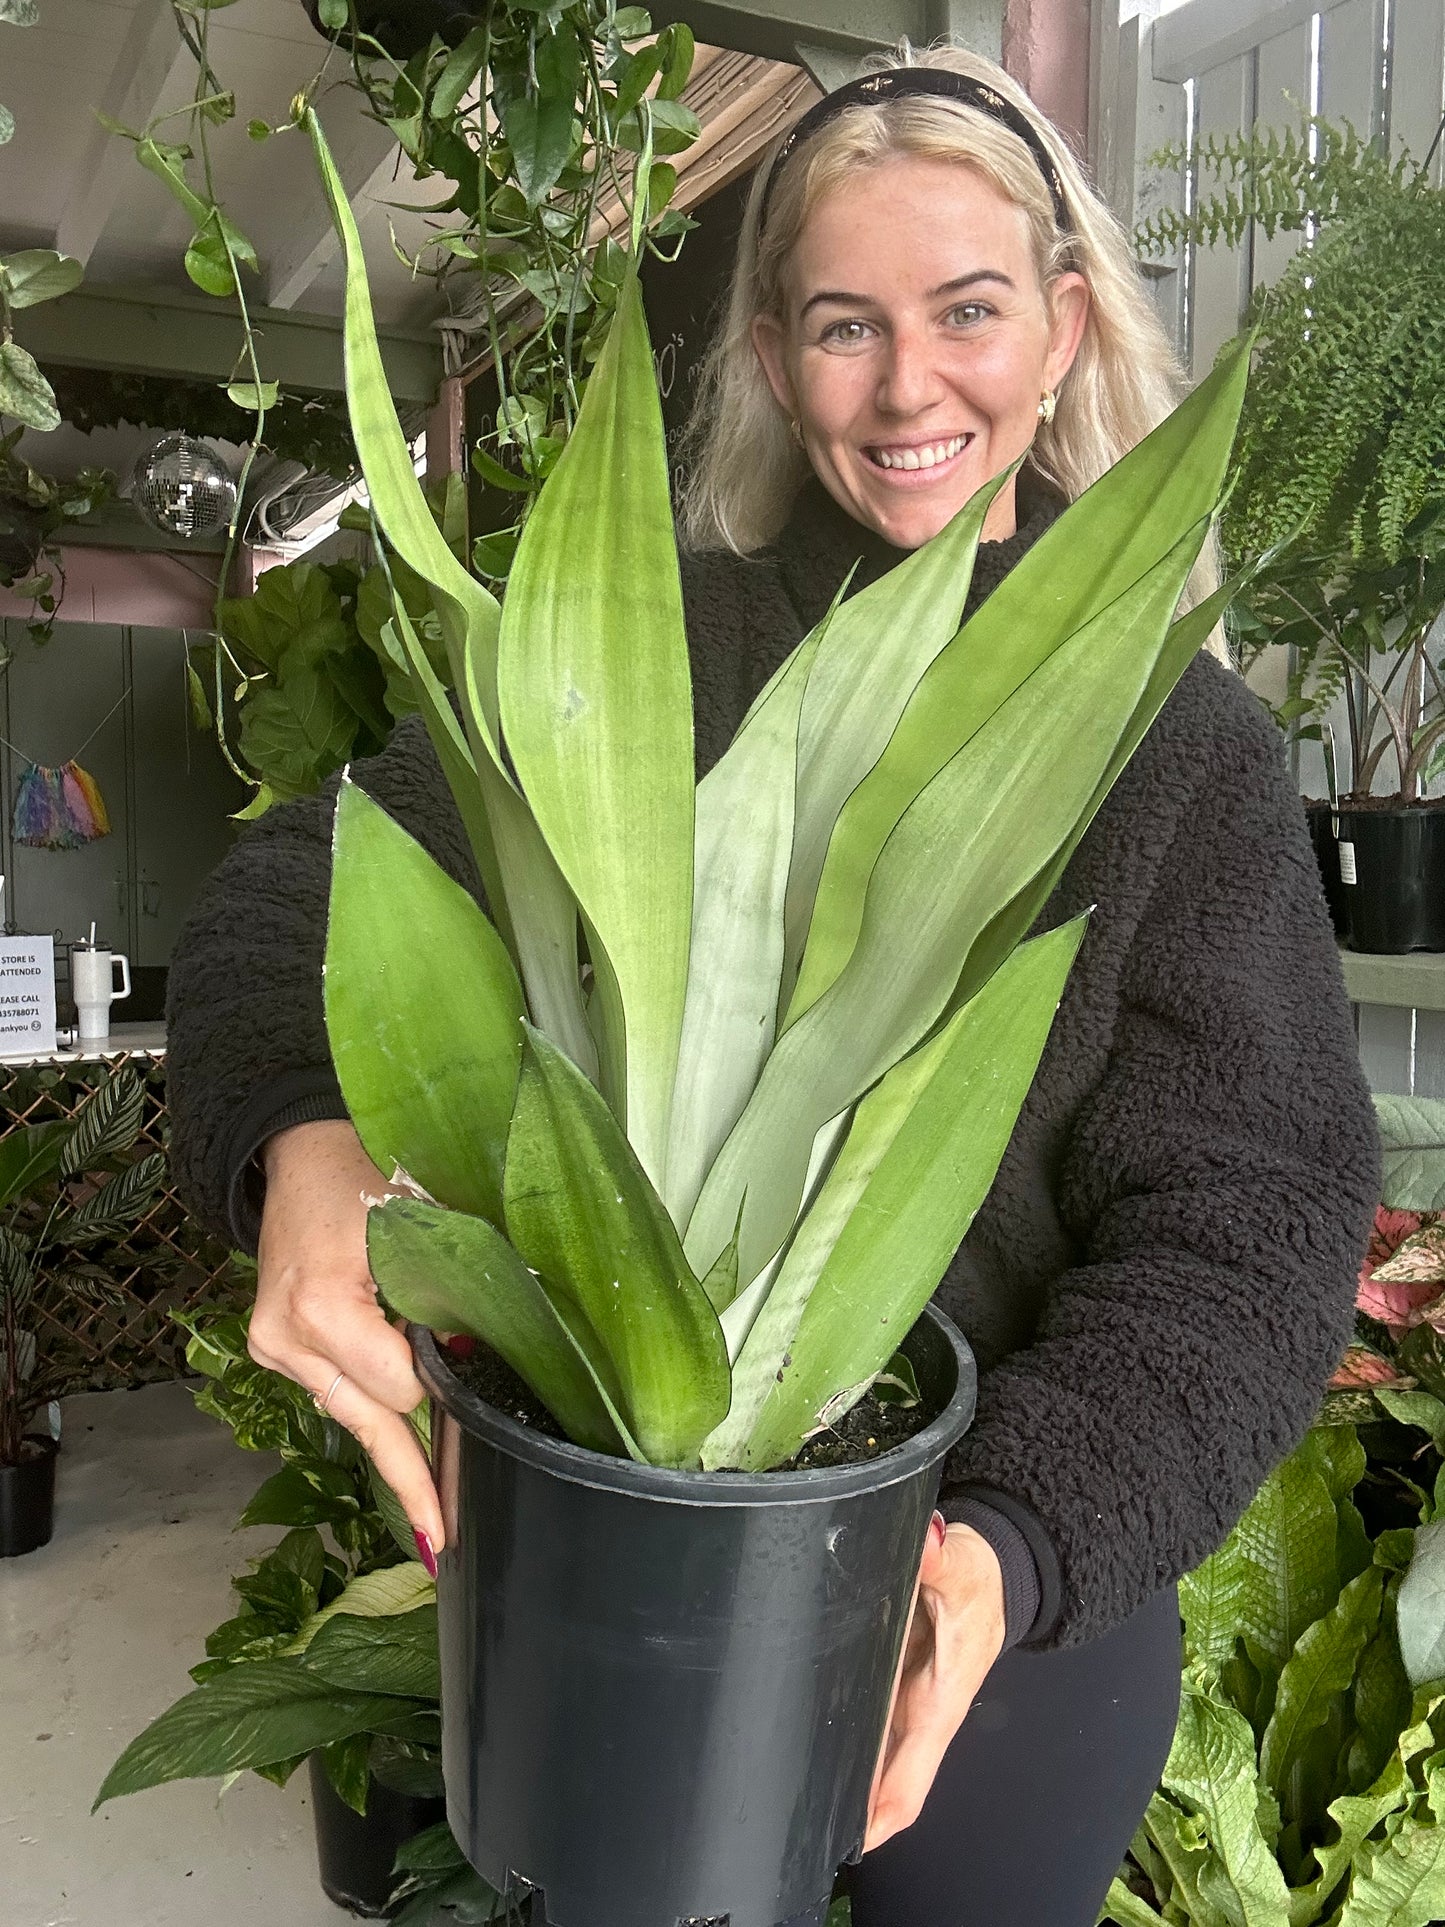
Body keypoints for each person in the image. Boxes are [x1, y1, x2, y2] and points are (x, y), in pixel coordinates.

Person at [165, 43, 1379, 1927]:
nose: (908, 385)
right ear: (767, 352)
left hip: (995, 1599)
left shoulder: (1179, 751)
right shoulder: (649, 655)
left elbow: (1251, 1222)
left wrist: (1006, 1543)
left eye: (966, 310)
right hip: (605, 1537)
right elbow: (308, 893)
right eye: (841, 325)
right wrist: (299, 1145)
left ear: (1058, 329)